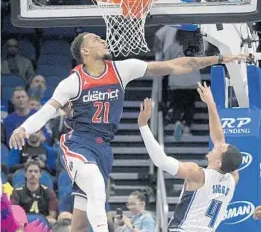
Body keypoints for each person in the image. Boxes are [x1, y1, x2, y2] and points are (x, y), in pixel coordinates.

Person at [9, 32, 247, 232]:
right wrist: (24, 127)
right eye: (95, 39)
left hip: (103, 149)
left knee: (79, 225)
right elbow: (47, 112)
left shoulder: (122, 69)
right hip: (78, 143)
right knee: (93, 181)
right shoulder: (72, 82)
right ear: (84, 52)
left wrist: (218, 58)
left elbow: (174, 65)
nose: (102, 40)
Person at [137, 85, 242, 232]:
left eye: (221, 148)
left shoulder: (197, 174)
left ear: (219, 162)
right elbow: (219, 140)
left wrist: (143, 126)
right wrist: (210, 104)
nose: (218, 145)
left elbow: (161, 161)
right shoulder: (232, 179)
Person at [11, 161, 58, 226]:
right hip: (22, 223)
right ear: (25, 174)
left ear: (40, 174)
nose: (33, 174)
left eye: (36, 171)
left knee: (52, 221)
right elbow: (13, 213)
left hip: (42, 222)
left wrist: (37, 221)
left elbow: (52, 215)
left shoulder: (48, 191)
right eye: (30, 171)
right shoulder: (17, 191)